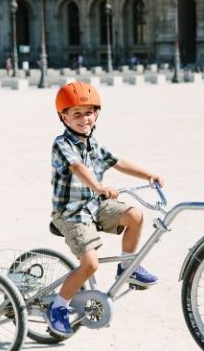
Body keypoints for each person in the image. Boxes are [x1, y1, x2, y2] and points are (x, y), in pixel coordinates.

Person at [47, 81, 164, 337]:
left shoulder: (93, 143)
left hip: (95, 206)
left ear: (96, 114)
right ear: (63, 117)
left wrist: (149, 175)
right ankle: (58, 307)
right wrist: (99, 187)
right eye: (76, 114)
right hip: (71, 213)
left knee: (134, 215)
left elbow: (118, 162)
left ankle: (127, 268)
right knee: (90, 264)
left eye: (88, 112)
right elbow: (78, 168)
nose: (83, 119)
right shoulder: (62, 144)